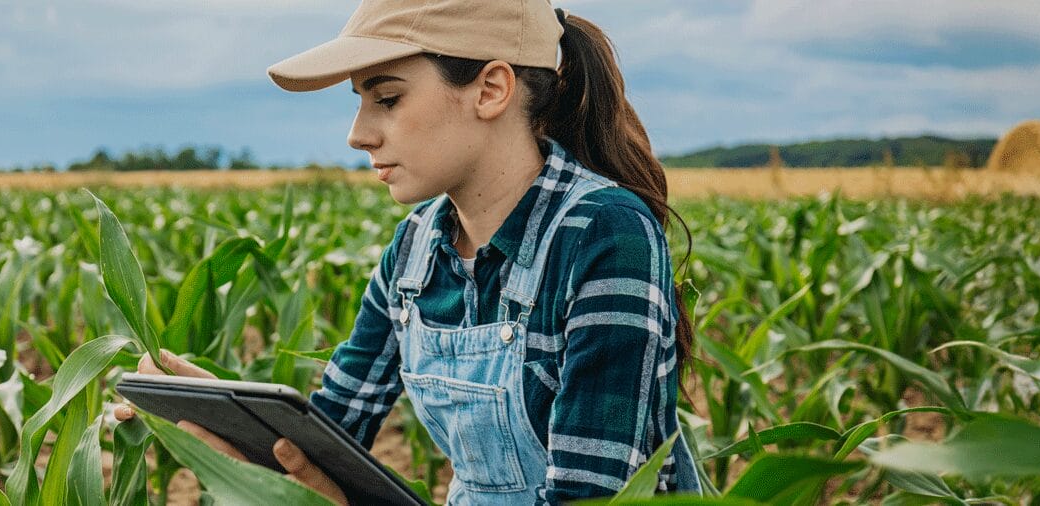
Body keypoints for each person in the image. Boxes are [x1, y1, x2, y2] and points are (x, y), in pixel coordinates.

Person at [114, 0, 700, 503]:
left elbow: (590, 497)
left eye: (387, 99)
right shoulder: (417, 247)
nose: (358, 133)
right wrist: (223, 421)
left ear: (491, 89)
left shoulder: (605, 235)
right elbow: (330, 436)